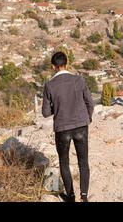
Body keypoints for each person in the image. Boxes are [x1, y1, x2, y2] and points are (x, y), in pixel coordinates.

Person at [42, 51, 94, 203]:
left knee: (64, 162)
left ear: (53, 67)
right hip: (81, 125)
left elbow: (45, 112)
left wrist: (57, 108)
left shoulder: (49, 85)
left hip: (62, 128)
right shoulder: (79, 80)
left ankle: (70, 197)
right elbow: (90, 103)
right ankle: (84, 196)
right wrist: (87, 118)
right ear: (67, 63)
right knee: (83, 161)